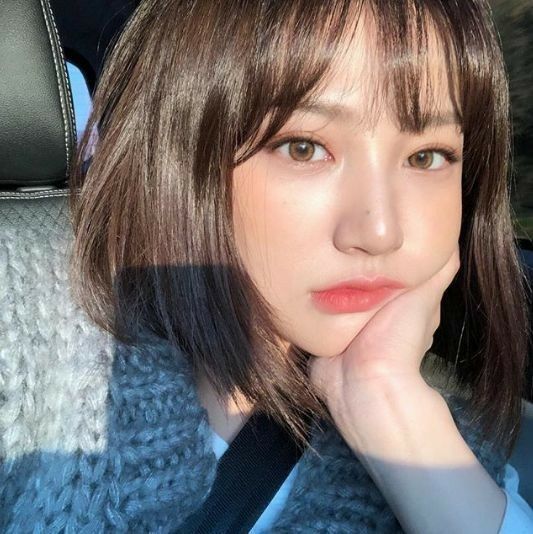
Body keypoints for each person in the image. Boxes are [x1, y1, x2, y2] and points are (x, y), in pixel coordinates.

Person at [2, 0, 533, 532]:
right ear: (177, 155)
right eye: (303, 148)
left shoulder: (463, 472)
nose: (380, 232)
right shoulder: (29, 360)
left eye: (426, 157)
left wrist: (387, 401)